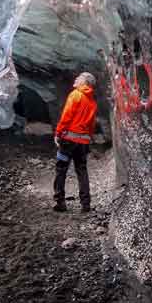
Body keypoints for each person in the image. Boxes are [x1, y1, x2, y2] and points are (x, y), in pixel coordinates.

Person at [53, 72, 97, 213]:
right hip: (83, 142)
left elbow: (66, 116)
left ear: (85, 83)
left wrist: (58, 133)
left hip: (69, 141)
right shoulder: (92, 102)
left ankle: (60, 202)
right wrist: (89, 138)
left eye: (80, 78)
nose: (76, 79)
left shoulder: (76, 95)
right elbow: (91, 125)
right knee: (81, 170)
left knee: (61, 169)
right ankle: (86, 204)